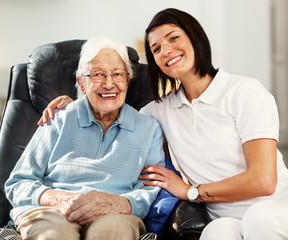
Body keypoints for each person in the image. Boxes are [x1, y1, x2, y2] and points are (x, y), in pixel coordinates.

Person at [38, 8, 288, 240]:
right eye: (156, 49)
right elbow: (110, 116)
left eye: (173, 38)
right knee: (216, 233)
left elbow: (263, 180)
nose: (166, 50)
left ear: (195, 38)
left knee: (259, 220)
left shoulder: (244, 91)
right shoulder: (159, 111)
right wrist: (77, 105)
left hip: (273, 208)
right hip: (224, 218)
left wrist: (190, 191)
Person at [5, 37, 166, 240]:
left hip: (115, 212)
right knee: (54, 235)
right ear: (82, 83)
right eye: (98, 74)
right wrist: (60, 199)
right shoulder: (58, 118)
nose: (109, 84)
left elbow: (151, 189)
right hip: (53, 212)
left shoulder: (149, 128)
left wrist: (120, 203)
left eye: (117, 74)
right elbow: (18, 183)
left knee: (113, 233)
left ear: (127, 80)